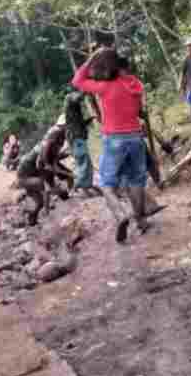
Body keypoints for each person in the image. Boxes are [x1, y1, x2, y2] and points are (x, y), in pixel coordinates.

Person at [71, 47, 167, 243]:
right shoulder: (136, 85)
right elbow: (140, 111)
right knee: (136, 181)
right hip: (135, 138)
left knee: (106, 185)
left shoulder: (105, 87)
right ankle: (141, 222)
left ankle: (120, 215)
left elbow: (77, 81)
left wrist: (91, 59)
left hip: (114, 139)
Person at [63, 92, 96, 194]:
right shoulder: (70, 102)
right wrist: (86, 90)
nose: (81, 102)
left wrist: (90, 119)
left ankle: (84, 188)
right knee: (84, 163)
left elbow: (80, 124)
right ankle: (77, 186)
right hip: (76, 138)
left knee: (85, 164)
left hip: (78, 138)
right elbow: (76, 98)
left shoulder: (75, 113)